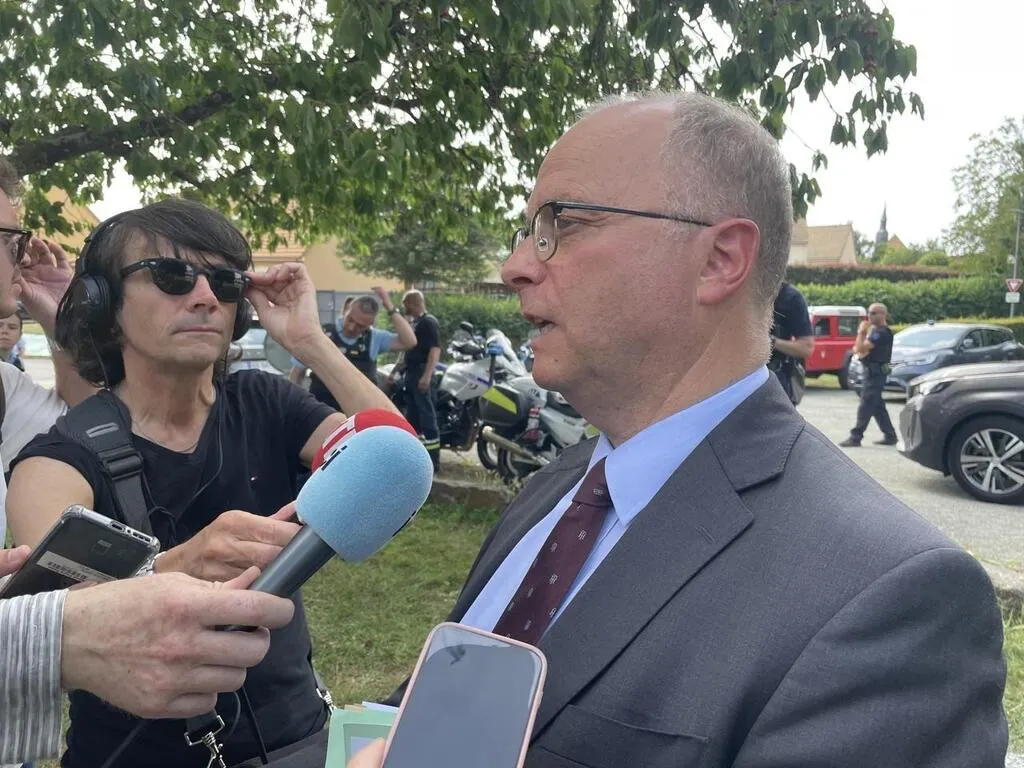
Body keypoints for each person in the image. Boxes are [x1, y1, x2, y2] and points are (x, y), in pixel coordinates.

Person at [379, 93, 1007, 766]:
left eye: (561, 224)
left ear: (720, 260)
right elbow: (424, 722)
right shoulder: (559, 487)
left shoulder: (888, 598)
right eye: (527, 231)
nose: (516, 267)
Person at [5, 199, 400, 768]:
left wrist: (309, 340)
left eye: (225, 282)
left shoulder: (267, 402)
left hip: (300, 738)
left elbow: (392, 461)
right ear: (104, 306)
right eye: (171, 275)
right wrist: (179, 565)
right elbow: (60, 621)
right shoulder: (56, 459)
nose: (205, 297)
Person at [289, 287, 416, 406]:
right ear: (346, 310)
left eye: (360, 326)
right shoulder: (321, 334)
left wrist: (390, 307)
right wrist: (295, 404)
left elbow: (409, 341)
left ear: (370, 324)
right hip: (323, 410)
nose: (351, 328)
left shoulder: (375, 338)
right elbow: (297, 373)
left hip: (360, 411)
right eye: (350, 319)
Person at [839, 302, 898, 447]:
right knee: (877, 406)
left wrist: (861, 332)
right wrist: (862, 339)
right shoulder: (875, 332)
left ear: (883, 315)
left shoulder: (881, 333)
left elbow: (860, 348)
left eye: (873, 313)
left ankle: (856, 436)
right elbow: (858, 349)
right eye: (869, 312)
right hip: (872, 371)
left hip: (875, 373)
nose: (869, 316)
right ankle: (890, 435)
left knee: (866, 404)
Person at [396, 289, 441, 471]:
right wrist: (395, 371)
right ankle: (412, 458)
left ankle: (433, 461)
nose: (404, 306)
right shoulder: (416, 323)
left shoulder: (428, 323)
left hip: (421, 373)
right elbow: (407, 351)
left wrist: (427, 376)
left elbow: (434, 350)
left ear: (414, 303)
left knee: (427, 416)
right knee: (412, 418)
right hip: (412, 373)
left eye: (405, 303)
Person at [767, 280, 813, 404]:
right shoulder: (738, 291)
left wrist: (770, 341)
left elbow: (806, 348)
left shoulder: (789, 297)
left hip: (775, 378)